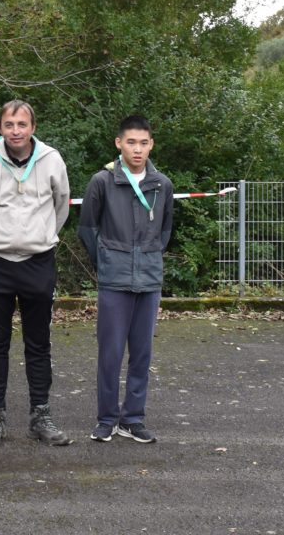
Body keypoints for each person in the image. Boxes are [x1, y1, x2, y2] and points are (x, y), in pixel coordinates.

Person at [0, 100, 72, 447]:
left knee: (38, 342)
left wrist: (40, 238)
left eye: (22, 124)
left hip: (37, 262)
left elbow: (61, 205)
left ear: (33, 127)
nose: (16, 131)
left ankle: (40, 414)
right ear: (0, 127)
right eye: (9, 124)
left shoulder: (52, 160)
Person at [77, 114, 174, 444]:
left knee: (142, 353)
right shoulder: (102, 182)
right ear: (119, 144)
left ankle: (133, 418)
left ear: (151, 145)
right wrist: (106, 261)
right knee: (111, 352)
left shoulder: (162, 184)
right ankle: (106, 419)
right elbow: (87, 228)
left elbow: (165, 231)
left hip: (149, 280)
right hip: (114, 280)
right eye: (131, 142)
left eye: (143, 143)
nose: (137, 149)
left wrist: (148, 256)